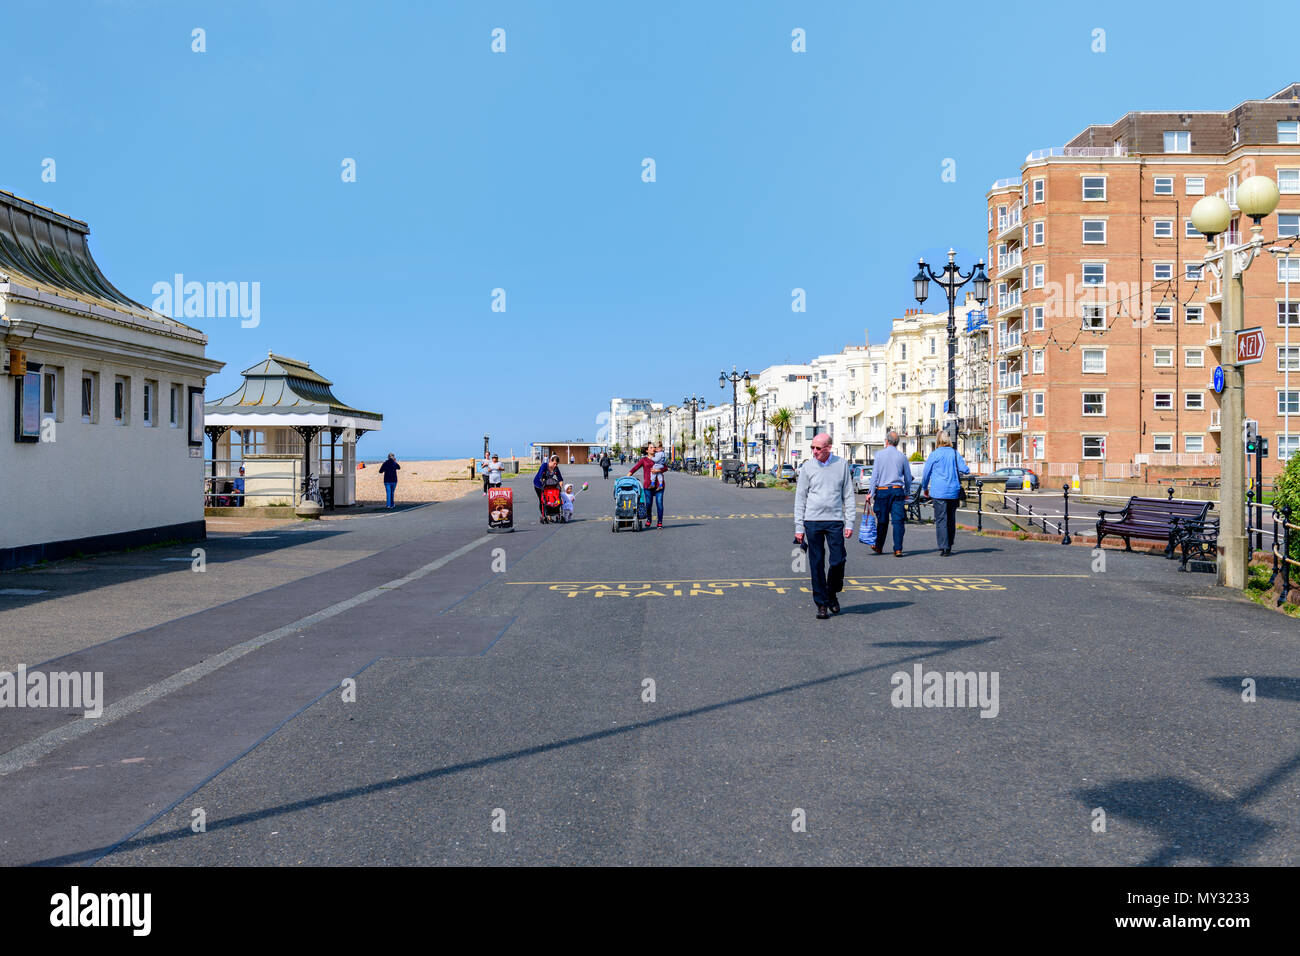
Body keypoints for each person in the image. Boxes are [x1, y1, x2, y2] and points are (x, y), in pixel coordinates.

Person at [794, 433, 856, 620]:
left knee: (838, 560)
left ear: (829, 448)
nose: (814, 451)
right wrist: (799, 527)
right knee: (817, 563)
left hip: (835, 520)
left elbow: (849, 495)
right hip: (812, 520)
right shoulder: (807, 467)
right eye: (812, 448)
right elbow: (800, 497)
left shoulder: (841, 465)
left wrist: (850, 521)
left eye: (818, 448)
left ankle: (832, 593)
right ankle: (821, 603)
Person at [919, 433, 971, 556]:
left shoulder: (934, 454)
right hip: (953, 491)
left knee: (941, 519)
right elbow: (965, 470)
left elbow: (926, 474)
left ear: (938, 441)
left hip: (938, 492)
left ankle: (944, 546)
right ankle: (950, 544)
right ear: (949, 441)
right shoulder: (954, 453)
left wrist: (925, 487)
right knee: (951, 519)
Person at [867, 430, 912, 556]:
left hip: (882, 491)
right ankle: (898, 548)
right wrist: (907, 491)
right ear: (897, 443)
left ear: (886, 441)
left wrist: (871, 492)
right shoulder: (902, 457)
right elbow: (908, 477)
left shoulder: (879, 455)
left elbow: (874, 476)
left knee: (882, 520)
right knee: (898, 521)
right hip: (897, 490)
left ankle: (879, 546)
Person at [628, 444, 664, 528]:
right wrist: (627, 477)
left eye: (654, 447)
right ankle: (649, 519)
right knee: (648, 504)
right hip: (648, 485)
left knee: (659, 504)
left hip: (659, 485)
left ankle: (659, 522)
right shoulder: (644, 460)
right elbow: (635, 468)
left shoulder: (659, 457)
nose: (653, 449)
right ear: (647, 450)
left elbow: (665, 467)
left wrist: (658, 470)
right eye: (651, 447)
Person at [533, 455, 564, 521]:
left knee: (550, 499)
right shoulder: (544, 466)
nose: (555, 465)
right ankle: (544, 515)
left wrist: (560, 485)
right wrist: (543, 481)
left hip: (548, 485)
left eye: (556, 464)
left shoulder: (556, 468)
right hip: (538, 484)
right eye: (554, 463)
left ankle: (550, 515)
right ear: (550, 461)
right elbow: (540, 476)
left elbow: (560, 478)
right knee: (542, 500)